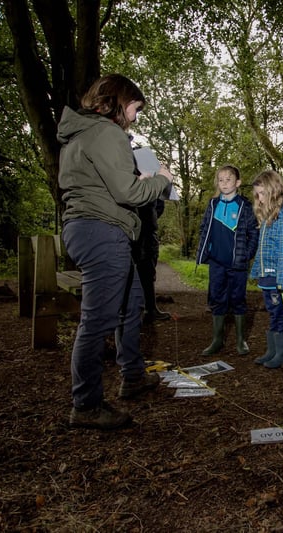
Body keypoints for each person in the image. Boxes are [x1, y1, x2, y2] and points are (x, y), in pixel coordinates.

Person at [57, 74, 174, 430]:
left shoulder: (79, 135)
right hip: (101, 231)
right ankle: (87, 404)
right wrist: (161, 179)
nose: (136, 117)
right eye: (136, 108)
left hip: (89, 228)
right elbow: (126, 193)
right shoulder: (107, 133)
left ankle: (133, 375)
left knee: (131, 304)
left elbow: (106, 184)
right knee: (97, 322)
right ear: (119, 101)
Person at [195, 165, 259, 356]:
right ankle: (217, 339)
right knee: (217, 298)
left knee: (238, 299)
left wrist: (246, 254)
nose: (224, 183)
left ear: (237, 183)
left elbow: (253, 234)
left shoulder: (245, 206)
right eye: (221, 180)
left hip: (237, 264)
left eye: (228, 179)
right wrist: (205, 250)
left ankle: (241, 340)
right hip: (217, 262)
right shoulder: (213, 204)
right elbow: (204, 228)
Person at [249, 170, 283, 369]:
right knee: (272, 312)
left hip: (278, 277)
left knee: (282, 313)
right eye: (257, 195)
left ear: (273, 191)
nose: (259, 199)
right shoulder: (269, 215)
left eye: (262, 193)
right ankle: (272, 350)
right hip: (267, 275)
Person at [134, 198, 171, 323]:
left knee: (147, 269)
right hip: (142, 231)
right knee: (145, 270)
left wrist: (152, 216)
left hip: (147, 230)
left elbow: (159, 205)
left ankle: (148, 308)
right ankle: (148, 309)